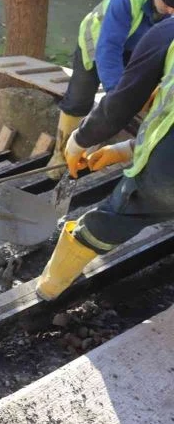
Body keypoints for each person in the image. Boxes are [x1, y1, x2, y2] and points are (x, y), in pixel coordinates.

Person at [36, 17, 174, 300]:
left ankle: (49, 286)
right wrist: (126, 149)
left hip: (168, 176)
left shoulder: (167, 32)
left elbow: (123, 100)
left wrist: (79, 140)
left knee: (117, 214)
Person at [46, 0, 174, 178]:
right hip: (98, 43)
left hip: (134, 47)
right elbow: (108, 49)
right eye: (168, 6)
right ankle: (61, 156)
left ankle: (89, 152)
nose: (171, 12)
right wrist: (118, 96)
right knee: (78, 100)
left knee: (120, 102)